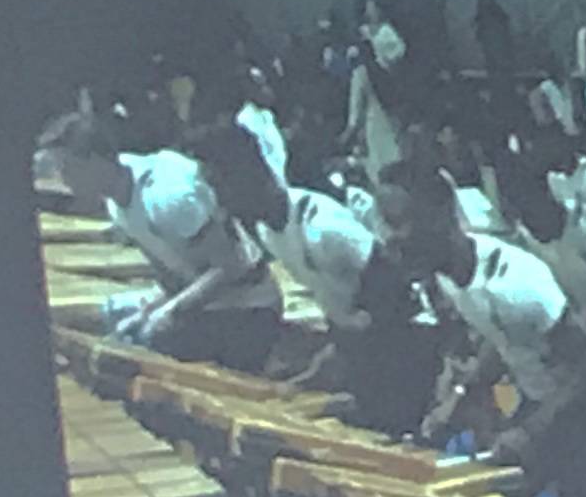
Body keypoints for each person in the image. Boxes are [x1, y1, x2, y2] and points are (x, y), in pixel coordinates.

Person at [376, 162, 586, 497]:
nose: (390, 238)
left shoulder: (516, 283)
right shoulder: (450, 279)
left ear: (440, 215)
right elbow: (504, 338)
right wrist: (458, 397)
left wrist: (531, 430)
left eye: (399, 222)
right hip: (538, 404)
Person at [184, 125, 432, 434]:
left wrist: (355, 349)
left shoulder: (323, 229)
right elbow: (344, 306)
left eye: (219, 187)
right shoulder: (268, 232)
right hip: (367, 348)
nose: (219, 203)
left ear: (245, 177)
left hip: (406, 351)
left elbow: (397, 293)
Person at [37, 110, 283, 373]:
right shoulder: (117, 199)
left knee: (148, 342)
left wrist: (170, 312)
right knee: (110, 315)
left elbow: (230, 266)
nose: (64, 180)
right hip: (205, 301)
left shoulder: (167, 196)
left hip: (250, 309)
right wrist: (147, 312)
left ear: (95, 162)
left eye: (68, 169)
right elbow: (169, 276)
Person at [496, 150, 586, 325]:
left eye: (533, 202)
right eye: (522, 209)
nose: (530, 213)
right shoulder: (525, 250)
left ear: (549, 195)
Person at [340, 0, 410, 184]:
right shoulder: (363, 67)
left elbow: (356, 109)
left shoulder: (386, 34)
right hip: (381, 119)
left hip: (383, 118)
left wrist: (348, 132)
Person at [234, 66, 289, 186]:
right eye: (259, 86)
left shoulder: (267, 116)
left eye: (265, 85)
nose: (266, 90)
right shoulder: (244, 120)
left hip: (281, 182)